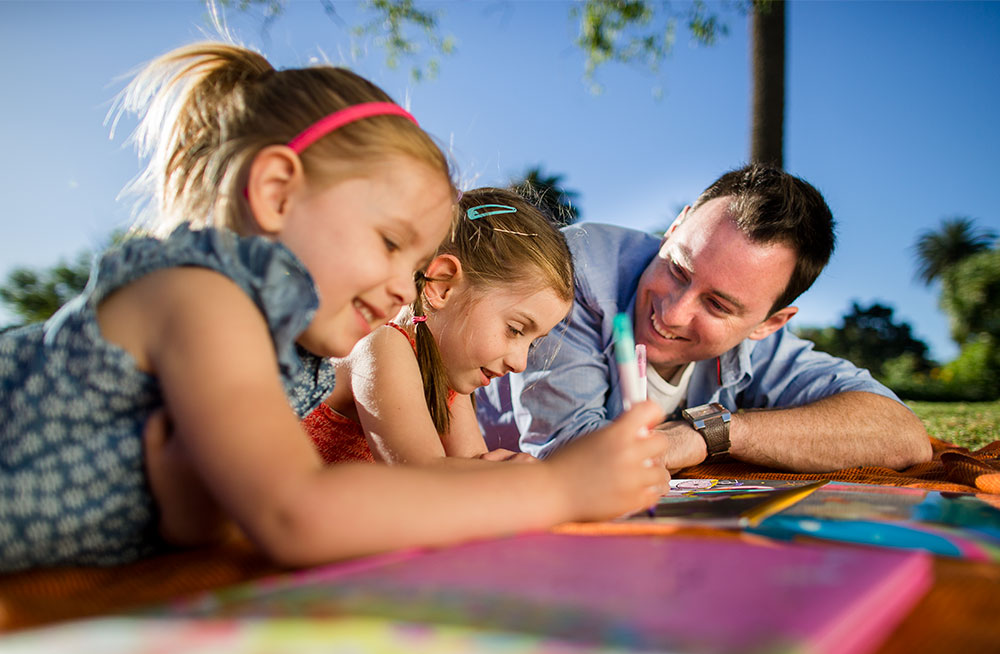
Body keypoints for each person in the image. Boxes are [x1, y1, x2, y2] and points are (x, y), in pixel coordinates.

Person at [0, 42, 669, 573]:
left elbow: (219, 515)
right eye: (388, 242)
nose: (404, 288)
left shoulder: (287, 356)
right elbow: (296, 515)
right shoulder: (202, 296)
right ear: (277, 193)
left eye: (413, 264)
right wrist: (558, 491)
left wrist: (192, 516)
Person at [477, 164, 932, 473]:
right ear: (675, 227)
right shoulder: (572, 274)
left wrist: (711, 432)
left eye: (717, 305)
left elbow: (901, 434)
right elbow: (570, 455)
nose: (672, 312)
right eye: (677, 268)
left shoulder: (762, 344)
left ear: (767, 325)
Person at [304, 187, 570, 465]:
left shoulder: (444, 377)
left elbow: (470, 464)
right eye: (515, 329)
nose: (521, 364)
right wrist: (542, 483)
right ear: (443, 286)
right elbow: (425, 483)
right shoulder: (383, 345)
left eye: (533, 341)